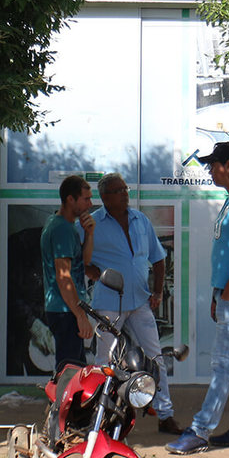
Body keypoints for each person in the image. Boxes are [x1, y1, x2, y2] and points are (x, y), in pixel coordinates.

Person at [167, 141, 229, 454]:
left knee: (223, 363)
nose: (209, 170)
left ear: (228, 165)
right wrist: (218, 294)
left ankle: (200, 431)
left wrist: (227, 293)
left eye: (213, 165)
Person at [84, 173, 183, 435]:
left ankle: (165, 415)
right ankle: (99, 417)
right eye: (119, 190)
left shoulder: (141, 220)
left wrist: (158, 291)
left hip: (140, 300)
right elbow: (83, 261)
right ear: (105, 197)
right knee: (104, 361)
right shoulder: (94, 224)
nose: (125, 194)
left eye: (125, 189)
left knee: (155, 356)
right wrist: (99, 277)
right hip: (108, 301)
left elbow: (158, 259)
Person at [40, 175, 96, 370]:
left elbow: (85, 261)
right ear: (71, 199)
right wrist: (80, 315)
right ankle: (59, 401)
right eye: (86, 199)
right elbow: (63, 276)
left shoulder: (65, 225)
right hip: (65, 311)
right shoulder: (62, 229)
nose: (90, 203)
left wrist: (89, 234)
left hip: (66, 309)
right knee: (69, 374)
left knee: (76, 372)